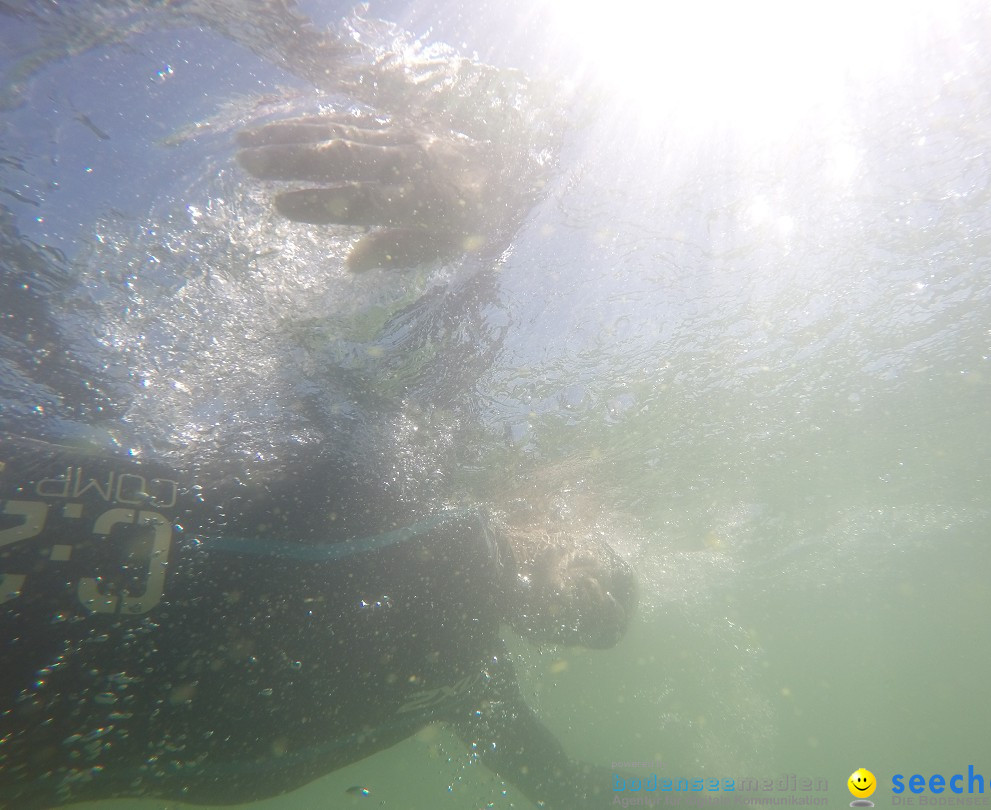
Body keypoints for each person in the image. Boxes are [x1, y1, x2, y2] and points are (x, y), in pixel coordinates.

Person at [0, 88, 636, 810]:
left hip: (54, 553)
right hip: (46, 747)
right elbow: (550, 777)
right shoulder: (469, 687)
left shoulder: (445, 536)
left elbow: (320, 364)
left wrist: (491, 229)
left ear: (556, 547)